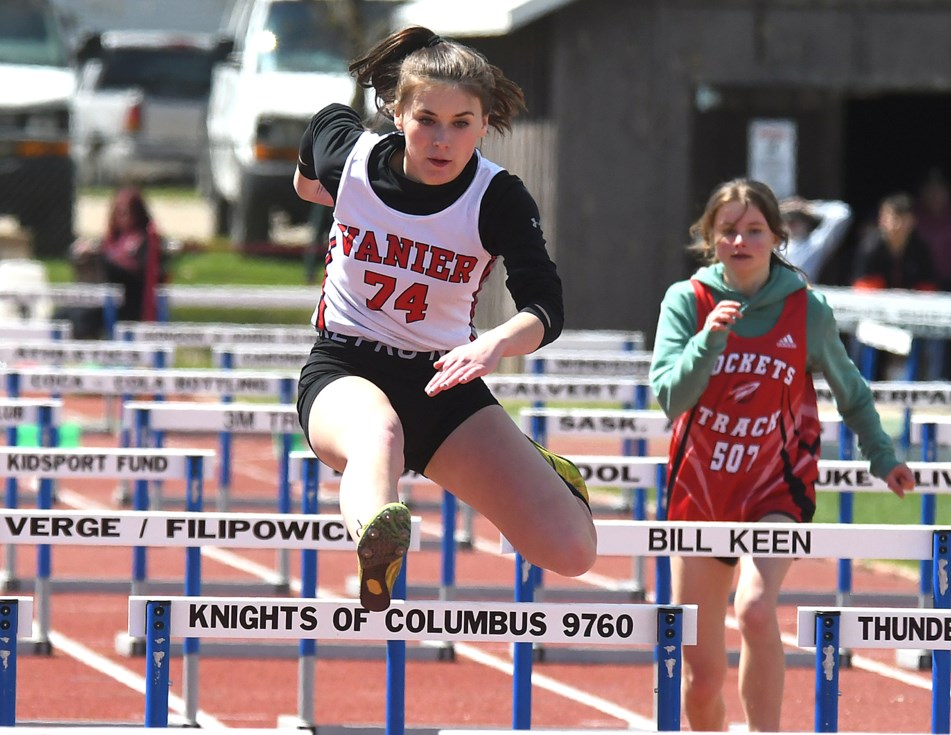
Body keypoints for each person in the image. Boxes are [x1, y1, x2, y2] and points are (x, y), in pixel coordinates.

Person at [292, 26, 597, 612]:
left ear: (485, 126)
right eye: (427, 119)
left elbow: (545, 307)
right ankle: (377, 546)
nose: (442, 140)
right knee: (378, 436)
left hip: (446, 381)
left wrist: (497, 345)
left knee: (571, 551)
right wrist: (347, 204)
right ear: (397, 113)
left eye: (461, 123)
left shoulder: (496, 197)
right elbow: (308, 181)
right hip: (345, 368)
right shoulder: (347, 151)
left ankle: (543, 467)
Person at [650, 178, 914, 732]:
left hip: (776, 490)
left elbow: (853, 392)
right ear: (709, 239)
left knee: (754, 609)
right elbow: (671, 398)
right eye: (728, 232)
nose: (740, 241)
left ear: (776, 237)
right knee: (699, 682)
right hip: (700, 494)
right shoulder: (687, 301)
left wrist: (882, 456)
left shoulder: (807, 311)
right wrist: (708, 341)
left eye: (754, 231)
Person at [64, 186, 166, 338]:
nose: (120, 217)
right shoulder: (113, 239)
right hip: (102, 300)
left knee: (82, 319)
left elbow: (134, 274)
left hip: (130, 304)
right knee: (62, 315)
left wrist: (103, 258)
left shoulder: (145, 239)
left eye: (125, 212)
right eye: (117, 211)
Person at [850, 192, 937, 292]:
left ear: (913, 221)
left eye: (904, 219)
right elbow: (863, 287)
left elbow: (928, 287)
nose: (899, 225)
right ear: (882, 220)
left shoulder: (921, 250)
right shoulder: (870, 248)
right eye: (894, 219)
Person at [779, 196, 853, 283]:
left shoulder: (813, 244)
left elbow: (842, 214)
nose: (791, 224)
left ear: (806, 223)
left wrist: (809, 207)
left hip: (802, 292)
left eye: (796, 220)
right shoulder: (773, 247)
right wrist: (780, 208)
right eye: (786, 220)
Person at [915, 170, 951, 292]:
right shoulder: (912, 221)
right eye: (930, 190)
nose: (935, 195)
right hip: (920, 287)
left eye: (939, 190)